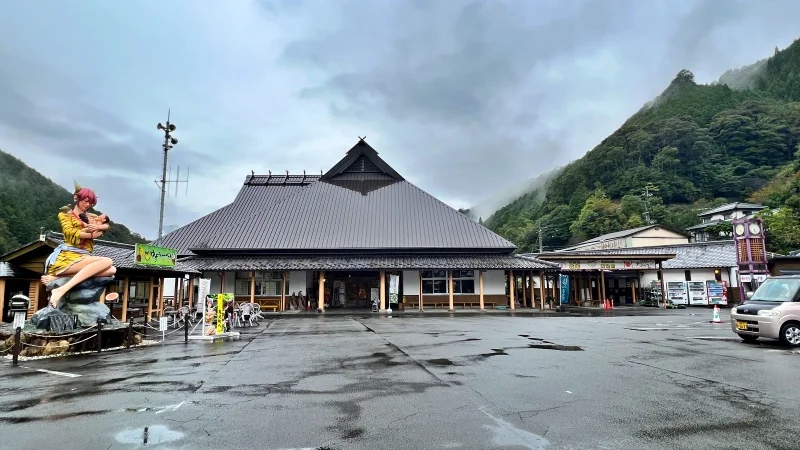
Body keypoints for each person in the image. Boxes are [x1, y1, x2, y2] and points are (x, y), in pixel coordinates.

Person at [41, 184, 117, 307]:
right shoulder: (65, 215)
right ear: (77, 198)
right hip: (70, 256)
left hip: (85, 256)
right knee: (107, 261)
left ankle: (57, 278)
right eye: (86, 201)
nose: (88, 205)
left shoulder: (91, 216)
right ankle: (61, 289)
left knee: (112, 270)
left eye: (91, 203)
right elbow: (69, 232)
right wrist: (91, 235)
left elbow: (107, 225)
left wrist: (99, 227)